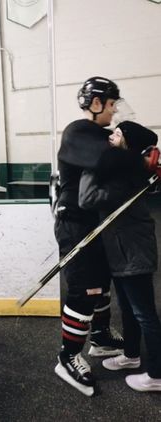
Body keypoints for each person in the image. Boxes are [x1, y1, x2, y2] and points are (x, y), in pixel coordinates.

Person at [54, 76, 125, 396]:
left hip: (93, 222)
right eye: (111, 104)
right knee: (86, 289)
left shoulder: (102, 133)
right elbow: (105, 159)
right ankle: (67, 356)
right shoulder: (78, 132)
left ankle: (99, 337)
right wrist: (133, 155)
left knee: (102, 282)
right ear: (95, 104)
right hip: (74, 224)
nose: (114, 111)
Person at [79, 120, 161, 392]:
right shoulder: (125, 168)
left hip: (133, 251)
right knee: (127, 308)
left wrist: (91, 164)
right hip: (123, 249)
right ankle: (131, 355)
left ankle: (157, 375)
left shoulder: (125, 174)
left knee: (144, 313)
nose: (111, 136)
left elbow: (89, 199)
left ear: (128, 144)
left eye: (117, 133)